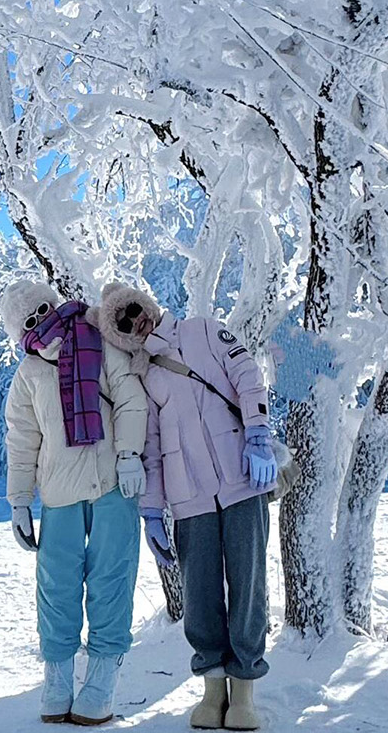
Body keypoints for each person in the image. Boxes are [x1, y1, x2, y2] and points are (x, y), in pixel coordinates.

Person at [98, 281, 277, 732]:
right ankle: (213, 689)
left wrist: (257, 432)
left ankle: (244, 690)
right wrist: (152, 512)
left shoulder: (203, 330)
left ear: (146, 303)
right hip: (188, 499)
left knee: (248, 586)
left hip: (242, 481)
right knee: (200, 595)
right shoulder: (143, 375)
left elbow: (247, 374)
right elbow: (151, 448)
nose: (134, 321)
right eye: (122, 323)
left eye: (134, 309)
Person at [1, 278, 149, 725]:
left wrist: (129, 455)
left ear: (54, 304)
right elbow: (21, 440)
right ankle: (58, 681)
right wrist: (19, 501)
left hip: (112, 486)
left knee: (111, 581)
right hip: (59, 493)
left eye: (43, 309)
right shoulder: (28, 374)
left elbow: (130, 400)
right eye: (29, 321)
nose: (41, 322)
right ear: (21, 333)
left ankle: (101, 681)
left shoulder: (99, 341)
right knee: (56, 588)